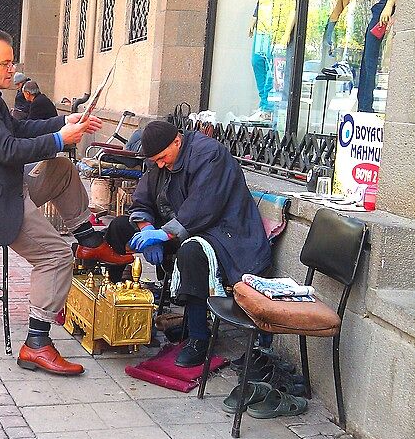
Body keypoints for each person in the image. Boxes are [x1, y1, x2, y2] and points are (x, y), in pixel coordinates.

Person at [0, 29, 133, 376]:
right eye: (5, 63)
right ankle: (37, 343)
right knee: (54, 255)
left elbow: (18, 131)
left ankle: (89, 240)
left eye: (13, 63)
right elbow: (7, 150)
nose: (12, 70)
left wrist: (64, 123)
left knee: (61, 167)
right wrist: (58, 138)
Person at [78, 120, 271, 367]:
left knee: (191, 253)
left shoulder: (209, 155)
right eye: (155, 161)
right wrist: (147, 229)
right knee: (118, 228)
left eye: (162, 158)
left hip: (227, 233)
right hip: (181, 225)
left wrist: (165, 235)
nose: (159, 164)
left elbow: (204, 208)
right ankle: (116, 311)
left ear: (177, 141)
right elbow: (142, 201)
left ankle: (198, 338)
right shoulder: (159, 160)